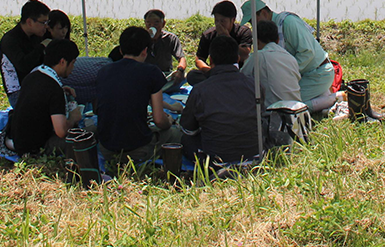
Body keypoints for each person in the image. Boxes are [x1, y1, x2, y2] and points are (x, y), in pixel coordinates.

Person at [93, 26, 180, 168]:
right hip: (138, 149)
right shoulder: (151, 71)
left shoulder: (104, 71)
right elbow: (159, 120)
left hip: (106, 147)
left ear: (120, 50)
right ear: (145, 51)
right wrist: (169, 121)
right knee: (175, 134)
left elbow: (98, 109)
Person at [240, 0, 335, 109]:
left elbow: (307, 52)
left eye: (253, 21)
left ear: (264, 13)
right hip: (303, 75)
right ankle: (322, 94)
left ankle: (331, 99)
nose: (253, 26)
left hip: (318, 73)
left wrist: (286, 72)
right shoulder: (273, 29)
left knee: (286, 104)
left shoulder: (288, 22)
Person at [180, 36, 260, 163]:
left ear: (210, 60)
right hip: (253, 155)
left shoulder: (200, 90)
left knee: (185, 140)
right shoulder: (255, 86)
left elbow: (188, 129)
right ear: (238, 58)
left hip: (215, 160)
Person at [7, 38, 82, 156]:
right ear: (63, 62)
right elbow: (61, 131)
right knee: (87, 134)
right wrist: (73, 118)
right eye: (72, 63)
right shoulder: (54, 90)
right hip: (35, 148)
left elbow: (41, 95)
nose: (73, 68)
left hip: (17, 139)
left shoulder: (33, 75)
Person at [185, 0, 253, 87]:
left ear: (233, 20)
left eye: (223, 21)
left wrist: (227, 37)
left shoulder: (243, 32)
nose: (219, 24)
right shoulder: (208, 35)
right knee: (192, 75)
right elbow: (199, 59)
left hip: (237, 73)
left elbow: (245, 54)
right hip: (215, 73)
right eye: (216, 21)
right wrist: (210, 71)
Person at [0, 0, 49, 107]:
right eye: (43, 22)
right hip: (18, 93)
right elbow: (24, 65)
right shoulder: (10, 40)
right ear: (29, 22)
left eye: (47, 22)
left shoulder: (36, 36)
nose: (46, 26)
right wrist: (41, 47)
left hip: (36, 87)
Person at [242, 19, 302, 107]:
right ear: (278, 40)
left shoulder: (258, 57)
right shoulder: (291, 58)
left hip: (274, 115)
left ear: (256, 41)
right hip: (298, 111)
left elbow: (241, 79)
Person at [144, 9, 187, 84]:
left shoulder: (170, 38)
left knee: (183, 77)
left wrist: (180, 71)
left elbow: (181, 58)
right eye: (148, 23)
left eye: (156, 23)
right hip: (145, 75)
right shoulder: (141, 39)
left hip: (165, 75)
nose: (152, 26)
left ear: (163, 24)